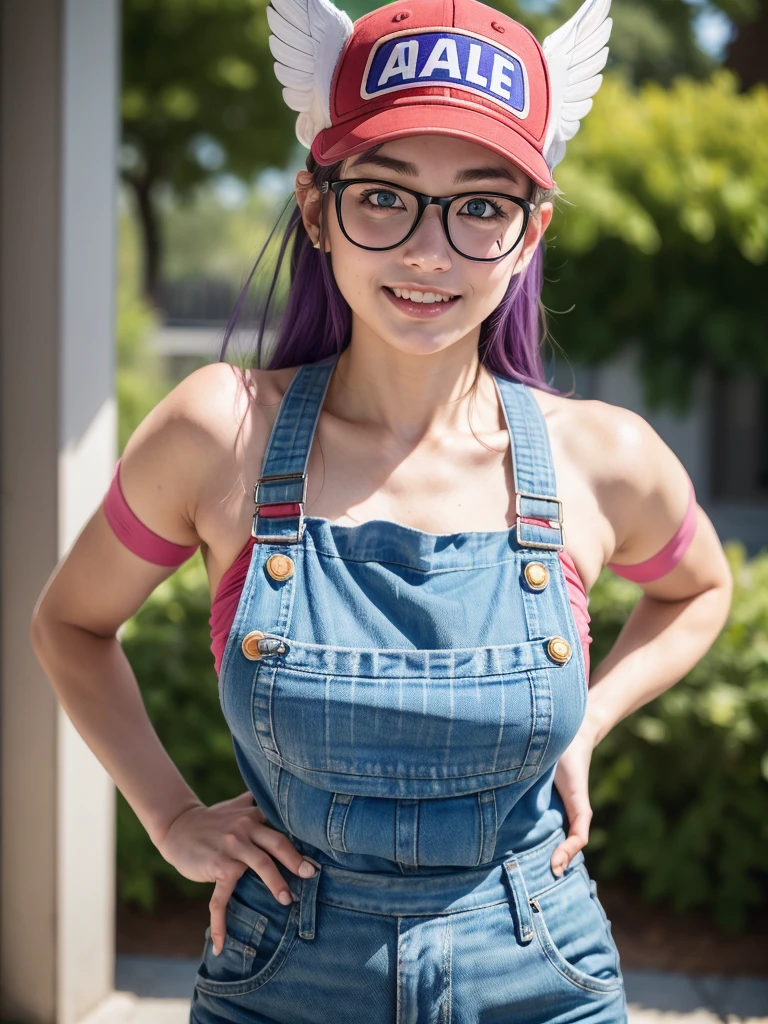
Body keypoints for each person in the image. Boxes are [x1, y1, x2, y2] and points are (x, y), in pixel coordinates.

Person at [30, 0, 733, 1020]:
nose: (428, 252)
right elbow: (71, 623)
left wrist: (591, 721)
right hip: (282, 976)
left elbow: (701, 588)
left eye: (480, 206)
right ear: (318, 211)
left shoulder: (601, 456)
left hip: (541, 973)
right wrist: (172, 815)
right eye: (385, 198)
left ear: (532, 229)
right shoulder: (220, 433)